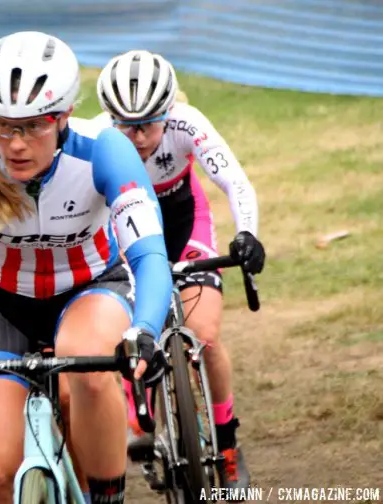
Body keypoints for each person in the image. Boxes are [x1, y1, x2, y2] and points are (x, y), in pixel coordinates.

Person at [0, 31, 173, 504]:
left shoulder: (105, 149)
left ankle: (108, 496)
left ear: (63, 116)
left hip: (89, 288)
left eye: (34, 127)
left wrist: (145, 328)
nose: (17, 144)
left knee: (86, 368)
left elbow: (148, 255)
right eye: (5, 126)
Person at [95, 49, 266, 496]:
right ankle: (139, 416)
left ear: (168, 111)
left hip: (184, 224)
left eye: (148, 124)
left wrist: (248, 234)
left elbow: (236, 183)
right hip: (125, 234)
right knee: (115, 331)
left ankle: (227, 444)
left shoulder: (188, 122)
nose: (136, 137)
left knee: (204, 334)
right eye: (125, 126)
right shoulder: (95, 137)